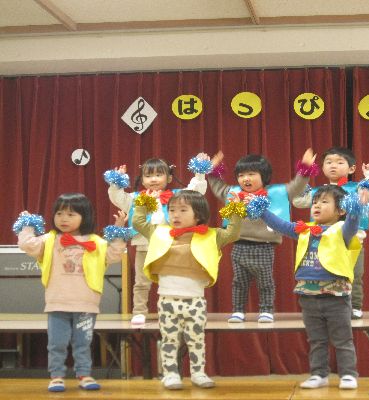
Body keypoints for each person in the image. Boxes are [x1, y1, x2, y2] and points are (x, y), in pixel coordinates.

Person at [254, 185, 369, 390]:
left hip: (336, 297)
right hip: (308, 296)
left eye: (324, 202)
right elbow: (280, 224)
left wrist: (356, 209)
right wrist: (261, 210)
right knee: (316, 341)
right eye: (315, 202)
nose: (316, 205)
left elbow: (352, 225)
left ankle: (348, 375)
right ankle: (319, 375)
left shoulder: (341, 230)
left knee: (343, 340)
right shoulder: (304, 230)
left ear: (340, 210)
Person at [13, 193, 131, 392]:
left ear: (84, 216)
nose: (63, 218)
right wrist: (27, 225)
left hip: (86, 304)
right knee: (56, 343)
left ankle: (84, 374)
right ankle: (56, 376)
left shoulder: (96, 242)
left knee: (83, 342)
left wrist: (118, 231)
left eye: (70, 214)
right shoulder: (50, 240)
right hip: (57, 303)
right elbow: (27, 245)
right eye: (59, 213)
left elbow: (114, 254)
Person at [132, 189, 243, 390]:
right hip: (167, 300)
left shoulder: (211, 235)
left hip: (195, 301)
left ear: (198, 214)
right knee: (169, 340)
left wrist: (235, 208)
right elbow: (138, 223)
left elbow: (233, 233)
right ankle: (170, 374)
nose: (175, 214)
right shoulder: (159, 232)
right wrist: (143, 202)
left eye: (183, 210)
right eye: (172, 210)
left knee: (196, 339)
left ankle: (198, 373)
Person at [207, 148, 318, 323]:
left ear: (264, 176)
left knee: (265, 282)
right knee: (239, 282)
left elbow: (297, 186)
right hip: (239, 246)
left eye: (251, 174)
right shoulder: (233, 193)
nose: (246, 179)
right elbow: (217, 186)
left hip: (264, 246)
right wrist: (212, 170)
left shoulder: (277, 192)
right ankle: (238, 311)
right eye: (241, 175)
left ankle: (266, 311)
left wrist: (305, 167)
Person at [104, 155, 209, 325]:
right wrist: (116, 182)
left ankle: (172, 313)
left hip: (170, 247)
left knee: (172, 282)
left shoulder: (176, 196)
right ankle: (139, 312)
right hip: (144, 247)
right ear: (142, 179)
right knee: (141, 282)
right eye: (148, 175)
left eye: (158, 175)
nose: (153, 179)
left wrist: (199, 173)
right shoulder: (134, 198)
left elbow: (196, 191)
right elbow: (117, 197)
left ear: (169, 178)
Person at [292, 147, 369, 319]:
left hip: (351, 243)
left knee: (354, 275)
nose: (333, 166)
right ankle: (325, 309)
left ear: (352, 168)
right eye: (328, 162)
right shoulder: (317, 191)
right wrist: (304, 173)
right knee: (326, 276)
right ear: (322, 168)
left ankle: (354, 306)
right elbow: (297, 200)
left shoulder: (357, 188)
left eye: (339, 162)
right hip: (323, 244)